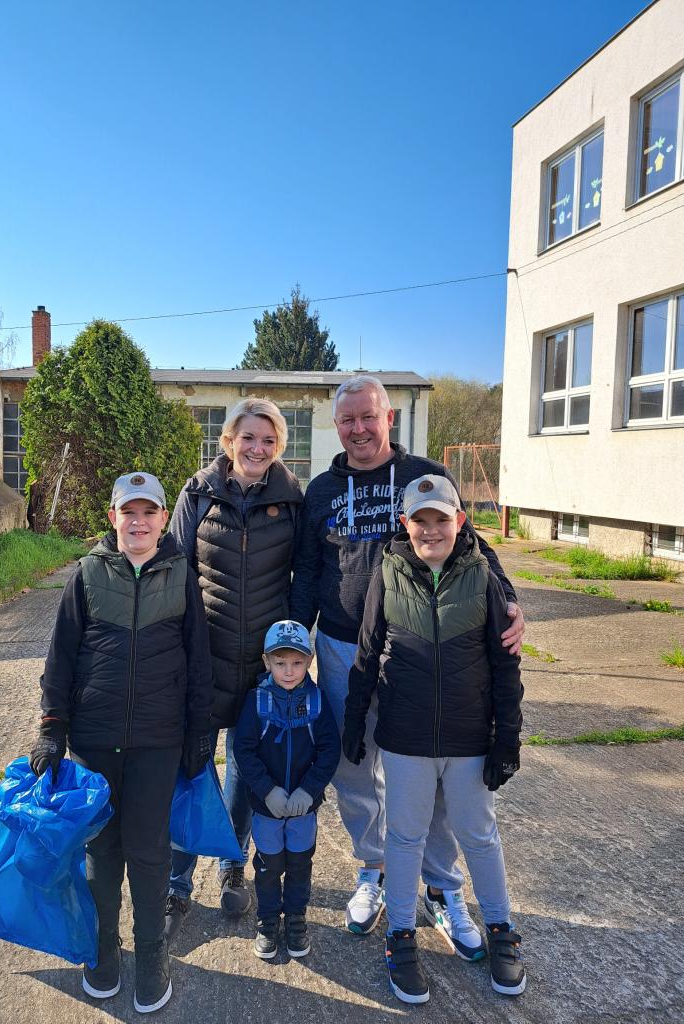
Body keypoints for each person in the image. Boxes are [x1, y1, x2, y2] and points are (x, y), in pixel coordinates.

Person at [290, 374, 524, 950]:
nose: (359, 429)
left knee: (435, 769)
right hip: (343, 647)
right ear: (336, 425)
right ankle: (374, 868)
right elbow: (308, 572)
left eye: (368, 417)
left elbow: (474, 546)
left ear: (388, 418)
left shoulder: (426, 477)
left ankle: (441, 886)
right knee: (354, 765)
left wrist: (508, 599)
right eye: (348, 420)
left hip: (422, 650)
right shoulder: (321, 491)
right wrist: (296, 639)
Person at [29, 472, 212, 1014]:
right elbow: (60, 658)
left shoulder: (181, 576)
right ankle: (103, 950)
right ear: (113, 518)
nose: (138, 521)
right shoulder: (86, 574)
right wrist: (51, 727)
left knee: (150, 852)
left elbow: (198, 662)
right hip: (94, 739)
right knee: (101, 850)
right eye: (128, 512)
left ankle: (151, 955)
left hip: (159, 741)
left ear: (163, 519)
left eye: (149, 511)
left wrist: (199, 731)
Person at [343, 473, 526, 1003]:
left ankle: (501, 929)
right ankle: (400, 935)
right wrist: (354, 720)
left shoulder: (483, 576)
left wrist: (507, 737)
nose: (430, 530)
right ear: (405, 523)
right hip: (406, 738)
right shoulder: (388, 571)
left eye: (441, 520)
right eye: (420, 521)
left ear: (460, 521)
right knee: (404, 837)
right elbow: (367, 651)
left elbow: (505, 664)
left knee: (479, 835)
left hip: (470, 739)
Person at [164, 398, 304, 940]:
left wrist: (291, 649)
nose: (257, 449)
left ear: (279, 446)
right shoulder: (198, 493)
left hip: (261, 667)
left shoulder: (291, 499)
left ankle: (232, 864)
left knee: (245, 769)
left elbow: (303, 575)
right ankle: (177, 882)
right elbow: (175, 570)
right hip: (203, 658)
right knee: (192, 768)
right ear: (228, 441)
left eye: (268, 440)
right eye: (248, 437)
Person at [233, 620, 340, 959]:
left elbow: (330, 750)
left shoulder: (317, 701)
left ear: (309, 661)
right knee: (268, 867)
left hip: (303, 809)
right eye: (280, 663)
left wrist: (309, 790)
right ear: (267, 662)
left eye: (297, 662)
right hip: (267, 808)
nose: (289, 671)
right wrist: (267, 790)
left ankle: (296, 918)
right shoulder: (257, 701)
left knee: (299, 865)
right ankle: (267, 921)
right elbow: (243, 751)